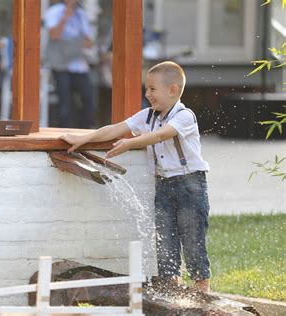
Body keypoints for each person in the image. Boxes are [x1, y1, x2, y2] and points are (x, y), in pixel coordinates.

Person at [60, 61, 211, 292]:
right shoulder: (147, 116)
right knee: (165, 242)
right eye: (146, 88)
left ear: (172, 90)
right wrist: (85, 139)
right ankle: (172, 291)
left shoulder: (184, 116)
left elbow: (161, 135)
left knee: (192, 239)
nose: (147, 94)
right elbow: (114, 129)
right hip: (163, 183)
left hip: (190, 183)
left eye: (152, 89)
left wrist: (129, 143)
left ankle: (202, 293)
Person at [44, 0, 95, 128]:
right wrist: (65, 18)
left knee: (88, 99)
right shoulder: (55, 11)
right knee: (65, 102)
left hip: (79, 64)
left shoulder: (81, 14)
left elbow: (89, 42)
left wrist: (71, 43)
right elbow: (54, 35)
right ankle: (64, 131)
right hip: (61, 65)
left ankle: (85, 131)